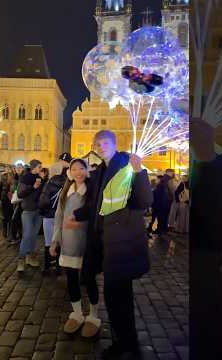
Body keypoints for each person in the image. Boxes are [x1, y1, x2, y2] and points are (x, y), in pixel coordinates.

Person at [68, 130, 153, 359]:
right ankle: (123, 341)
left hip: (121, 243)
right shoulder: (101, 170)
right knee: (114, 296)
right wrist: (79, 214)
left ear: (114, 144)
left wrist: (139, 171)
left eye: (105, 142)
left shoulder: (125, 166)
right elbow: (97, 203)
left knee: (119, 297)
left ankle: (127, 344)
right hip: (104, 242)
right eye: (98, 142)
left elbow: (144, 201)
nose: (101, 145)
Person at [190, 119, 222, 360]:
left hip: (204, 252)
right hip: (203, 252)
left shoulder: (214, 168)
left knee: (209, 314)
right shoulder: (203, 167)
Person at [49, 158, 101, 338]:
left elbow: (95, 216)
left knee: (89, 279)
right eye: (74, 168)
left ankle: (93, 316)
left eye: (82, 168)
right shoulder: (66, 191)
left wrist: (79, 225)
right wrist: (55, 241)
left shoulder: (92, 191)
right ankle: (77, 313)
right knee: (71, 279)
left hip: (86, 243)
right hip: (68, 243)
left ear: (87, 171)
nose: (78, 172)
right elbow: (59, 216)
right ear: (70, 171)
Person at [38, 160, 69, 274]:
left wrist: (42, 211)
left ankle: (47, 266)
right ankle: (58, 266)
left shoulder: (49, 184)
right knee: (58, 240)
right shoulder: (67, 182)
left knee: (48, 241)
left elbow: (43, 202)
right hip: (61, 216)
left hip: (49, 216)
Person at [16, 159, 44, 272]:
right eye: (39, 167)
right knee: (27, 235)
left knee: (33, 235)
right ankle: (21, 259)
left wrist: (43, 180)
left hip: (38, 211)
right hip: (28, 210)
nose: (40, 169)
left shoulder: (40, 177)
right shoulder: (25, 177)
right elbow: (20, 193)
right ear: (34, 167)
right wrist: (33, 187)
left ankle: (29, 257)